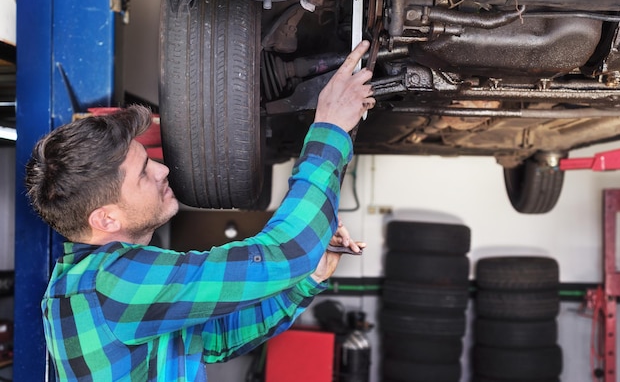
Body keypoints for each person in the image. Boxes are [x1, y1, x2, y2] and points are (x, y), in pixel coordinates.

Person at [24, 40, 375, 381]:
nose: (162, 170)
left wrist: (307, 278)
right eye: (144, 173)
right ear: (106, 218)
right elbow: (286, 252)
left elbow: (216, 339)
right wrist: (329, 129)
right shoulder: (113, 284)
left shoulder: (81, 283)